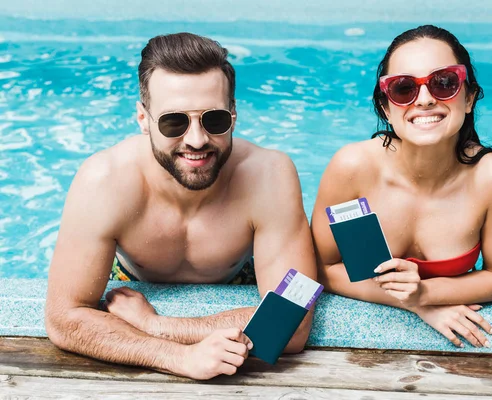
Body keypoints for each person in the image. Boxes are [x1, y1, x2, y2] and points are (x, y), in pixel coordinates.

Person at [45, 32, 317, 380]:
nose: (197, 139)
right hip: (132, 279)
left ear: (233, 115)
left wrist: (155, 325)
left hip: (236, 276)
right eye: (173, 121)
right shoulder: (105, 180)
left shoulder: (269, 175)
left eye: (214, 119)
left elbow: (293, 323)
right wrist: (176, 358)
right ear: (143, 119)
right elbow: (64, 317)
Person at [311, 25, 492, 348]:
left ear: (468, 98)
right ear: (386, 108)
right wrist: (416, 305)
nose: (425, 100)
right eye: (403, 88)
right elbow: (320, 267)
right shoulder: (353, 169)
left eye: (444, 83)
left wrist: (425, 292)